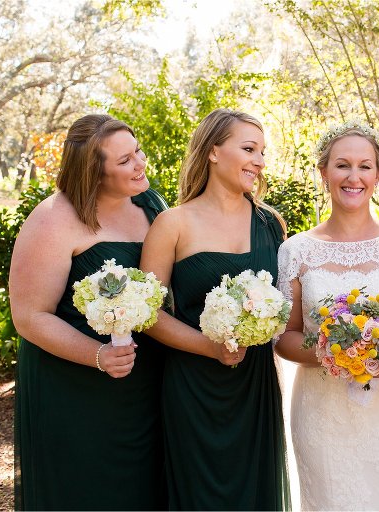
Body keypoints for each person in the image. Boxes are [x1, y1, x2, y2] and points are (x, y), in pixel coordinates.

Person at [275, 121, 379, 510]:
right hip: (323, 414)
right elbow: (284, 337)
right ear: (324, 172)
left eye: (365, 166)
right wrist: (335, 354)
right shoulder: (296, 251)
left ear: (377, 175)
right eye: (342, 165)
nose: (354, 177)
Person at [10, 114, 168, 510]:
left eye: (138, 151)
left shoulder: (150, 204)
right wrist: (98, 355)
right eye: (125, 160)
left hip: (145, 384)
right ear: (93, 173)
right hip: (76, 389)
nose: (140, 163)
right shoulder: (53, 219)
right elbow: (29, 316)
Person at [139, 108, 291, 511]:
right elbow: (147, 313)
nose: (259, 161)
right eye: (249, 149)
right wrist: (209, 347)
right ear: (213, 151)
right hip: (194, 386)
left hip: (255, 384)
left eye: (262, 152)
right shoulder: (172, 224)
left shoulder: (271, 223)